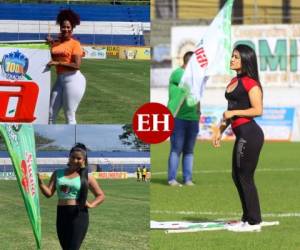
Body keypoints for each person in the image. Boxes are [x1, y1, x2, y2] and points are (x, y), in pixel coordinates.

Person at [212, 44, 264, 232]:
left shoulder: (251, 83)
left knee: (245, 176)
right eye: (232, 56)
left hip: (250, 134)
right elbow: (230, 114)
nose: (232, 59)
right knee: (237, 175)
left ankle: (254, 221)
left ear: (245, 60)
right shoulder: (233, 82)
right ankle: (247, 217)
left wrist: (232, 112)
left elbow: (257, 110)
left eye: (236, 57)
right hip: (241, 134)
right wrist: (220, 129)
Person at [38, 143, 105, 249]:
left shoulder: (86, 176)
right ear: (69, 157)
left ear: (84, 160)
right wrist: (40, 183)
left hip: (78, 215)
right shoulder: (57, 173)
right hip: (61, 213)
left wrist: (91, 204)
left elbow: (101, 195)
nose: (75, 160)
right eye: (73, 157)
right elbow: (49, 194)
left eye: (79, 158)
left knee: (73, 247)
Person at [167, 51, 200, 186]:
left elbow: (198, 95)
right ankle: (172, 179)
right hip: (178, 117)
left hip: (192, 118)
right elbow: (189, 85)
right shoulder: (178, 74)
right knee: (176, 148)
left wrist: (199, 111)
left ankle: (188, 179)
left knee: (189, 150)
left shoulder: (194, 76)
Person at [47, 9, 86, 124]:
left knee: (69, 113)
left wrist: (58, 63)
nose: (66, 29)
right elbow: (53, 52)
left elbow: (76, 65)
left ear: (72, 28)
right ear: (60, 27)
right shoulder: (56, 43)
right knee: (50, 112)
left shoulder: (75, 44)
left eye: (68, 27)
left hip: (74, 79)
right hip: (60, 80)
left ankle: (72, 141)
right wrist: (49, 43)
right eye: (63, 27)